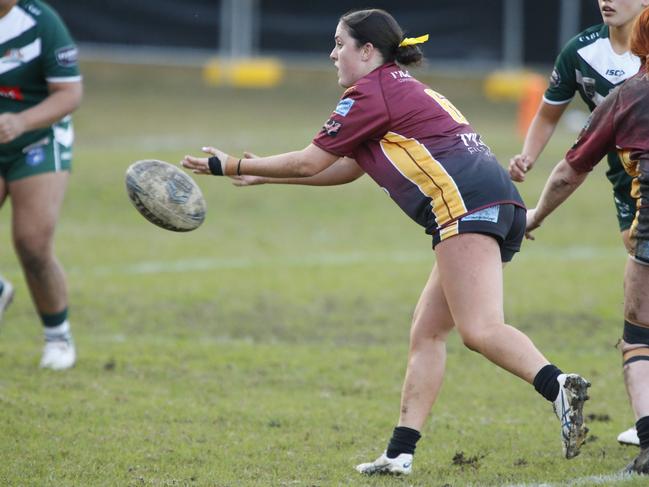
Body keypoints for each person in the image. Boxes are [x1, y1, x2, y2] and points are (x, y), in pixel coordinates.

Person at [181, 8, 591, 475]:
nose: (333, 53)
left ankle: (558, 385)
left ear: (368, 51)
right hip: (491, 200)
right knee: (428, 332)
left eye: (340, 43)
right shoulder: (398, 87)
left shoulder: (368, 94)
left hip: (465, 206)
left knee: (480, 330)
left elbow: (307, 162)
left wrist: (231, 165)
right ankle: (399, 453)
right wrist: (264, 176)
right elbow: (345, 168)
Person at [510, 0, 649, 447]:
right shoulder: (580, 51)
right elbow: (550, 110)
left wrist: (537, 213)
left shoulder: (630, 89)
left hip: (639, 182)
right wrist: (528, 156)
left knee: (639, 323)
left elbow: (570, 170)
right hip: (624, 179)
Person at [0, 0, 82, 370]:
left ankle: (57, 335)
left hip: (38, 139)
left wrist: (22, 122)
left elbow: (69, 94)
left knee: (32, 244)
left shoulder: (41, 22)